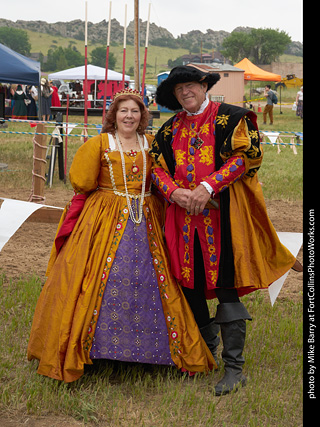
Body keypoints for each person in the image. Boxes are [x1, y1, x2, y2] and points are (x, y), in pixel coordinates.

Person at [27, 88, 215, 383]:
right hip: (104, 217)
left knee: (148, 280)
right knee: (104, 279)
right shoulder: (99, 144)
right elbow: (83, 182)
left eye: (135, 111)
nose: (129, 116)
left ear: (143, 116)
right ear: (113, 115)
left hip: (149, 218)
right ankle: (96, 348)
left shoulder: (152, 144)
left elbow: (166, 177)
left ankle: (156, 351)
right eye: (123, 110)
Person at [150, 65, 302, 396]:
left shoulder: (233, 118)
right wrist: (174, 192)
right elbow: (157, 169)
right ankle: (205, 354)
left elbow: (246, 156)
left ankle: (235, 369)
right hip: (183, 221)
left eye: (190, 85)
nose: (185, 92)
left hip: (224, 219)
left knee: (225, 285)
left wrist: (209, 185)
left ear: (204, 86)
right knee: (190, 285)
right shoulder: (168, 129)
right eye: (179, 90)